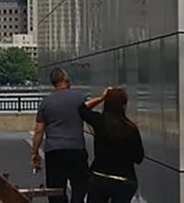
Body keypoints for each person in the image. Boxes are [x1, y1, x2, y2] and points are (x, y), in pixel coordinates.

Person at [30, 68, 89, 203]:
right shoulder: (80, 97)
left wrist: (34, 153)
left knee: (56, 190)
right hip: (76, 149)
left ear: (53, 82)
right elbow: (91, 121)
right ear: (66, 80)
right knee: (80, 186)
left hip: (54, 151)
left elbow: (39, 130)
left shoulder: (46, 102)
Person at [79, 87, 145, 203]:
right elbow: (138, 158)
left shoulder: (99, 121)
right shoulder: (131, 128)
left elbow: (82, 109)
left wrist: (101, 98)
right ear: (124, 105)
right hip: (125, 180)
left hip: (100, 177)